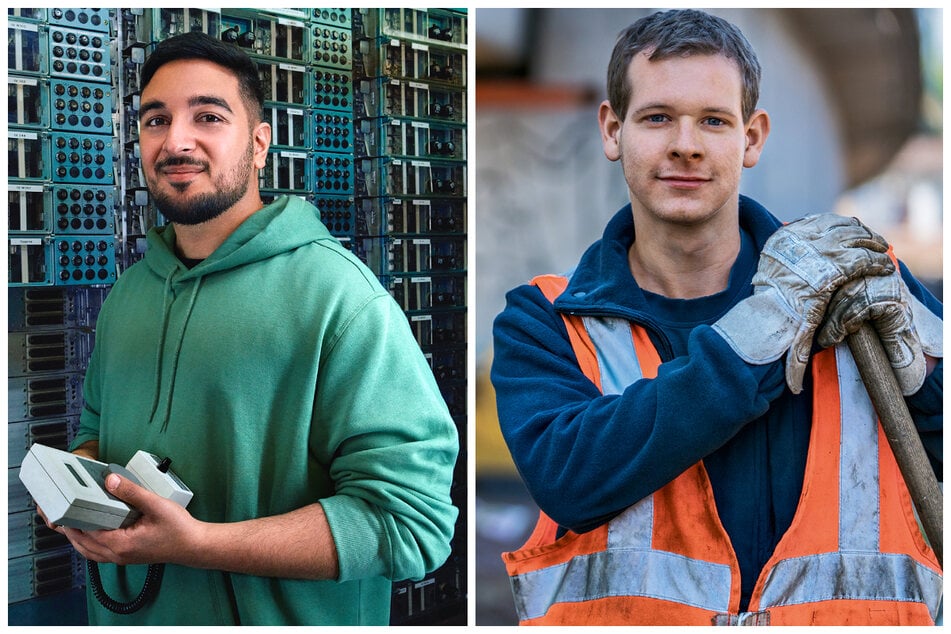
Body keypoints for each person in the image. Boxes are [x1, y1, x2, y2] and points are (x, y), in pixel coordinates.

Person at [491, 9, 942, 626]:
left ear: (751, 138)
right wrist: (771, 323)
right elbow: (571, 479)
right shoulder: (547, 320)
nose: (686, 143)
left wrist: (927, 374)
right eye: (657, 118)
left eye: (713, 120)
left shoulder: (861, 279)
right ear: (612, 130)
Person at [39, 31, 459, 625]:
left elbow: (411, 524)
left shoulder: (340, 299)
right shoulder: (127, 296)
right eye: (155, 120)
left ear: (260, 144)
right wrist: (74, 485)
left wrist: (199, 545)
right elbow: (96, 431)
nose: (175, 141)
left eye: (207, 116)